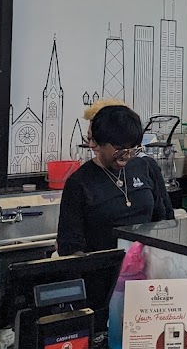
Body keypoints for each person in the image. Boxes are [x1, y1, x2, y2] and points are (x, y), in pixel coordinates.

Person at [56, 104, 174, 255]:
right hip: (104, 271)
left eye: (132, 149)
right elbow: (70, 248)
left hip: (147, 269)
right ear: (98, 144)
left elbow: (166, 220)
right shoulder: (79, 182)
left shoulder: (147, 167)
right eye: (119, 149)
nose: (126, 156)